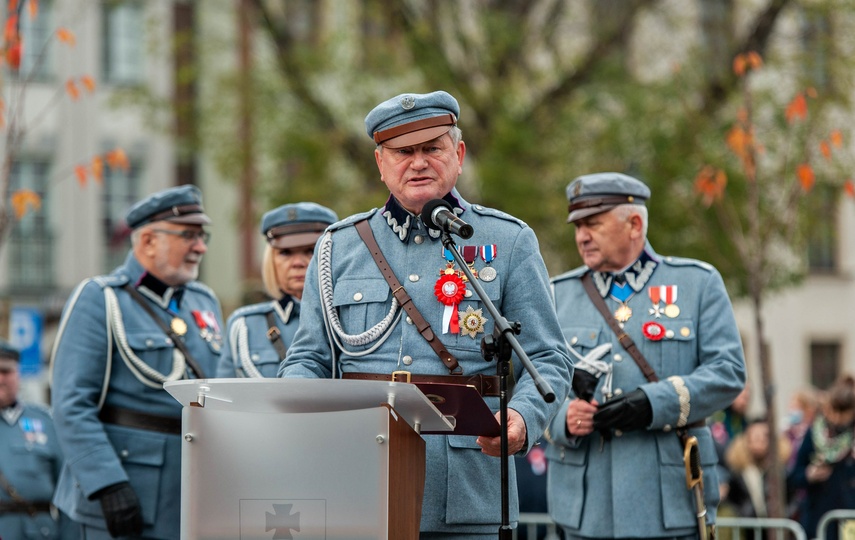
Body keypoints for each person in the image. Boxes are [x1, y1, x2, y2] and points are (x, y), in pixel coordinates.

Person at [278, 90, 572, 537]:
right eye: (403, 152)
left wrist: (524, 419)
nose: (418, 162)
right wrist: (294, 405)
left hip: (469, 489)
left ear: (459, 154)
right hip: (358, 479)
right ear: (381, 163)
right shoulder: (338, 246)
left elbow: (547, 358)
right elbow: (309, 358)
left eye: (432, 148)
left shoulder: (509, 241)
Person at [545, 172, 746, 540]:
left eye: (593, 224)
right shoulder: (557, 295)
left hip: (669, 507)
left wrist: (654, 404)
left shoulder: (697, 284)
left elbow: (728, 373)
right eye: (577, 226)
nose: (581, 236)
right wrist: (562, 418)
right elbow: (533, 384)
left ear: (634, 224)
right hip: (584, 512)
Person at [50, 185, 224, 539]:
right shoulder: (101, 299)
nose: (201, 247)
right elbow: (71, 404)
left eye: (202, 236)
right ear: (147, 241)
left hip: (191, 493)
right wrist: (106, 483)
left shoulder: (203, 302)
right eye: (189, 236)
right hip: (122, 492)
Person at [216, 202, 338, 377]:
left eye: (310, 251)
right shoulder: (244, 326)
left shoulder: (349, 321)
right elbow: (223, 399)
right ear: (270, 260)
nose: (298, 262)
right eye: (285, 252)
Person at [0, 339, 78, 539]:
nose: (0, 379)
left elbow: (69, 491)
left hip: (37, 531)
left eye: (5, 371)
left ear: (18, 373)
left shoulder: (47, 422)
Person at [787, 374, 855, 540]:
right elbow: (794, 475)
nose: (838, 418)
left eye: (844, 413)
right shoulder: (815, 433)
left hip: (849, 521)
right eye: (835, 411)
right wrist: (809, 474)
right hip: (818, 519)